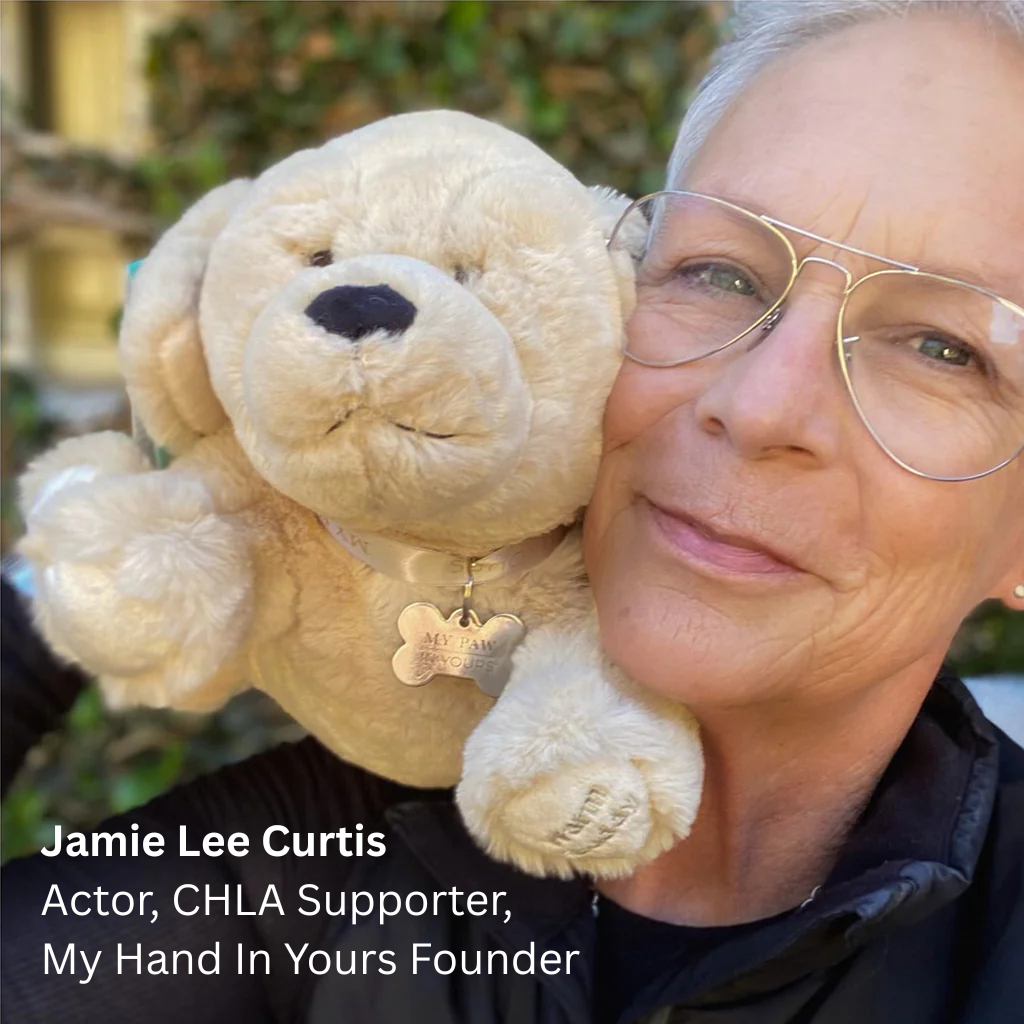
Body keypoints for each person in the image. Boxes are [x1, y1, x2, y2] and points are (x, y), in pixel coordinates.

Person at [3, 1, 1023, 1021]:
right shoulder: (312, 869)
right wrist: (148, 511)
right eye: (717, 272)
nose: (758, 405)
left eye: (942, 349)